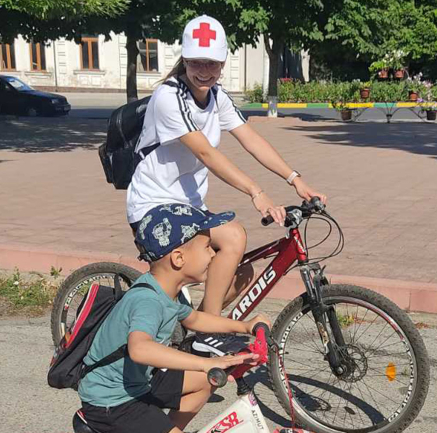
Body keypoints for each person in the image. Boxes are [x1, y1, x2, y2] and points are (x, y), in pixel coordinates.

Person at [126, 15, 326, 353]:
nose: (204, 71)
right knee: (233, 235)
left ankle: (197, 331)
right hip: (153, 206)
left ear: (222, 63)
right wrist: (256, 192)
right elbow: (206, 152)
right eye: (196, 62)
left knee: (243, 272)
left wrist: (295, 179)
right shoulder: (168, 96)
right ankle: (208, 334)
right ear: (184, 60)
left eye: (212, 64)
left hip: (188, 207)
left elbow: (251, 139)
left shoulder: (217, 96)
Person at [78, 203, 270, 433]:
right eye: (207, 247)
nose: (213, 253)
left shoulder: (168, 290)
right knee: (206, 370)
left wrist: (245, 326)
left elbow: (195, 319)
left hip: (140, 381)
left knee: (208, 380)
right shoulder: (148, 301)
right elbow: (140, 349)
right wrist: (205, 363)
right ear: (178, 258)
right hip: (113, 402)